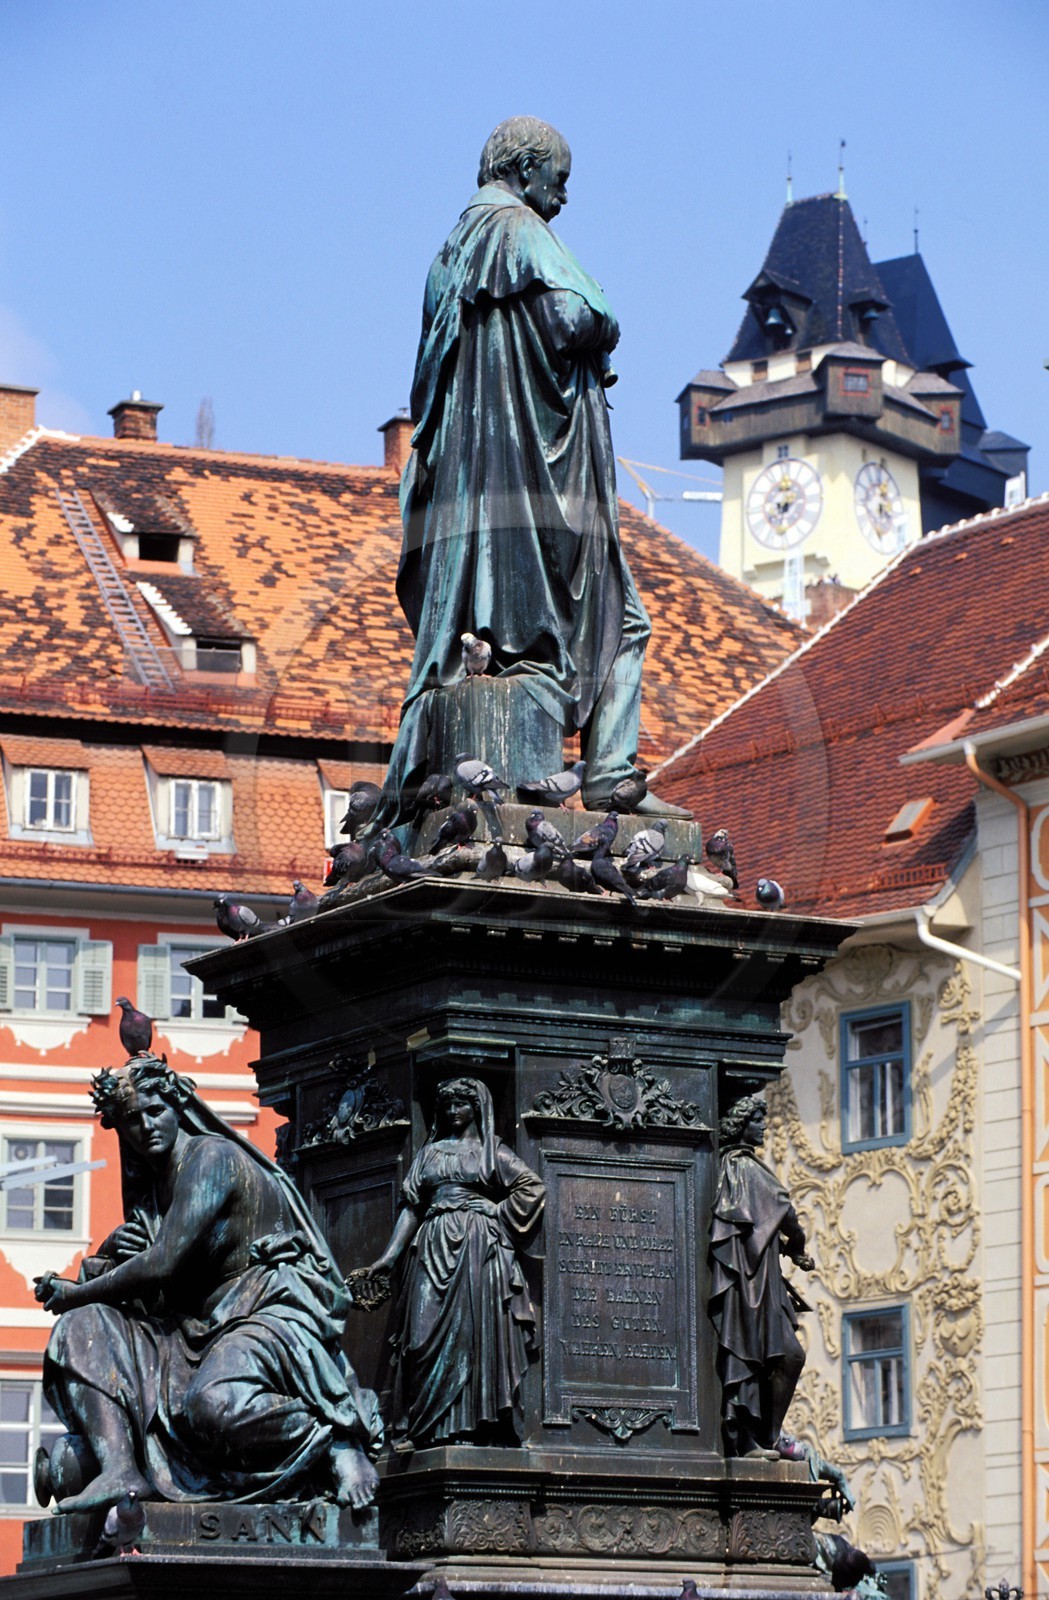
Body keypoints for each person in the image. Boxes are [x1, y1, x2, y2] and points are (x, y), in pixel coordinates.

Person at [377, 115, 689, 824]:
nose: (564, 197)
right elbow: (572, 316)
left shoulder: (446, 257)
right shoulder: (516, 232)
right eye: (561, 179)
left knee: (593, 627)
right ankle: (609, 774)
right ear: (526, 167)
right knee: (621, 621)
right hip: (540, 484)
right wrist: (606, 317)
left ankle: (608, 772)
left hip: (480, 495)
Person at [34, 1055, 382, 1513]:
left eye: (154, 1111)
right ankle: (120, 1468)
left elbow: (162, 1264)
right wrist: (108, 1255)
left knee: (211, 1406)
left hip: (263, 1310)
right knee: (83, 1326)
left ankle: (335, 1438)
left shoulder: (211, 1158)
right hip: (193, 1327)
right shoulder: (155, 1188)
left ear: (178, 1106)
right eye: (131, 1121)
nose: (145, 1127)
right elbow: (155, 1285)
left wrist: (73, 1292)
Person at [354, 1077, 544, 1449]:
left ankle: (468, 1428)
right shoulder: (430, 1153)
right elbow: (412, 1206)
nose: (453, 1111)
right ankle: (420, 1427)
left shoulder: (491, 1151)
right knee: (419, 1338)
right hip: (432, 1243)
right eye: (447, 1105)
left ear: (476, 1107)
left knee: (471, 1339)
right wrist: (388, 1258)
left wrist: (497, 1209)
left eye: (461, 1103)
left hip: (476, 1249)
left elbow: (531, 1185)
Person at [708, 1094, 814, 1457]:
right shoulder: (747, 1168)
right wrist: (797, 1246)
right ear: (740, 1125)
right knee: (786, 1356)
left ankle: (760, 1435)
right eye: (756, 1119)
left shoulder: (726, 1167)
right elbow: (786, 1210)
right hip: (755, 1285)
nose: (763, 1125)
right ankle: (762, 1436)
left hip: (753, 1278)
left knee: (768, 1356)